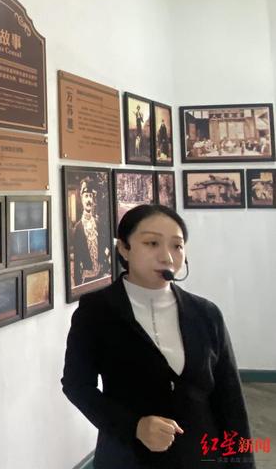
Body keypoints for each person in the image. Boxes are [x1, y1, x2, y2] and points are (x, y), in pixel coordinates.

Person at [62, 205, 254, 468]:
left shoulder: (206, 313)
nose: (167, 257)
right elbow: (76, 385)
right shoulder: (96, 311)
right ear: (124, 248)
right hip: (128, 457)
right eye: (152, 243)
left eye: (177, 246)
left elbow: (230, 399)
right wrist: (134, 427)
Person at [71, 177, 111, 287]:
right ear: (81, 198)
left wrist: (105, 265)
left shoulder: (98, 223)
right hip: (87, 280)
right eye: (86, 196)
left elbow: (104, 247)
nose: (88, 200)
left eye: (90, 196)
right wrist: (78, 286)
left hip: (101, 276)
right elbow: (77, 260)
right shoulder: (78, 228)